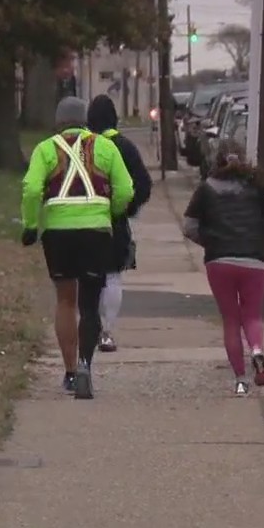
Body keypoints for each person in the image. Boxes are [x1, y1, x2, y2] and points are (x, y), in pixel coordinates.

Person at [21, 96, 135, 399]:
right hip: (95, 231)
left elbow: (32, 188)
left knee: (65, 301)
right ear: (85, 120)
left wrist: (31, 224)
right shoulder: (105, 147)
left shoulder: (45, 149)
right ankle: (86, 363)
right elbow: (126, 189)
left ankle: (70, 371)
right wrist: (112, 212)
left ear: (58, 121)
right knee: (89, 303)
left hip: (58, 233)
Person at [181, 140, 264, 396]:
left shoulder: (205, 191)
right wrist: (258, 238)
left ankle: (240, 380)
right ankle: (257, 350)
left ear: (217, 161)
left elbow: (189, 227)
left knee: (230, 320)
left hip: (219, 261)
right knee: (253, 316)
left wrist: (211, 241)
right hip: (254, 260)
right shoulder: (257, 188)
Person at [86, 95, 153, 352]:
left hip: (85, 218)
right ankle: (107, 330)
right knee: (113, 276)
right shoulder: (125, 147)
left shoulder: (86, 147)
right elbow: (143, 185)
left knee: (89, 276)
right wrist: (128, 208)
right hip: (115, 221)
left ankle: (89, 324)